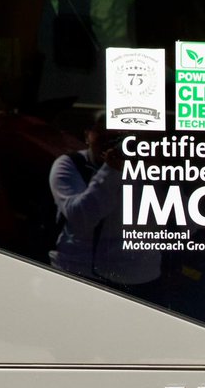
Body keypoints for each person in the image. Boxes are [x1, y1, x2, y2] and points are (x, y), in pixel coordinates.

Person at [48, 114, 159, 292]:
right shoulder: (70, 165)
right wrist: (111, 171)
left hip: (138, 275)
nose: (110, 142)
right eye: (103, 133)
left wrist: (163, 175)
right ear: (87, 135)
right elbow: (81, 216)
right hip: (80, 272)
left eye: (117, 136)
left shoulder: (144, 169)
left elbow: (178, 221)